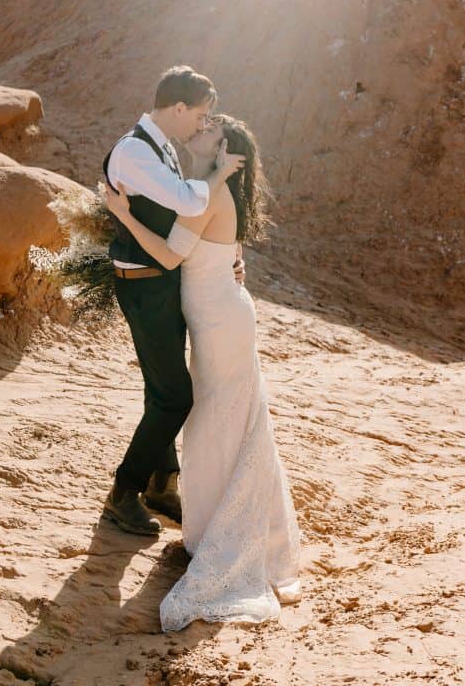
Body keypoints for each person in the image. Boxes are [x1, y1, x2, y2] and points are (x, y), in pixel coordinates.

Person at [105, 113, 301, 632]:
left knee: (218, 422)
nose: (201, 129)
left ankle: (219, 533)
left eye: (211, 129)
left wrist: (120, 215)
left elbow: (170, 255)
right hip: (223, 315)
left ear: (224, 152)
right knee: (228, 422)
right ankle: (221, 525)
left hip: (220, 323)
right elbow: (227, 251)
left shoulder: (210, 193)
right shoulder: (206, 191)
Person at [102, 67, 246, 536]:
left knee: (159, 388)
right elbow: (186, 202)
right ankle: (124, 492)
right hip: (144, 283)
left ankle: (162, 485)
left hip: (162, 282)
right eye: (200, 115)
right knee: (175, 395)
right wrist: (221, 173)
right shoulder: (134, 151)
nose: (201, 125)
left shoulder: (159, 144)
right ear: (178, 108)